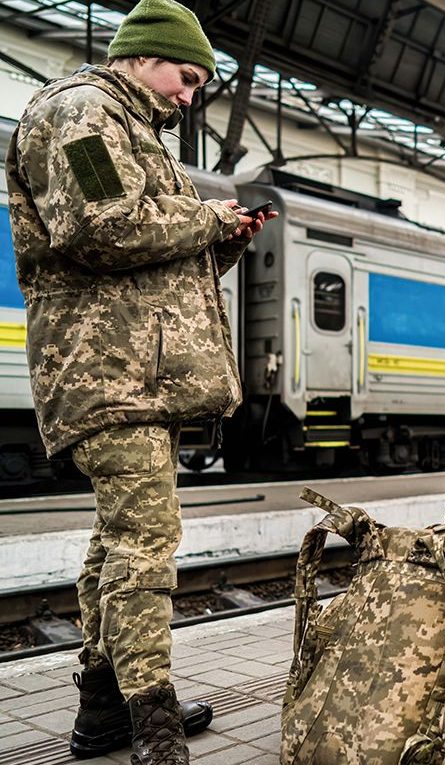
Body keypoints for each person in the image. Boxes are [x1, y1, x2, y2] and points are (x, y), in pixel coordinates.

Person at [6, 1, 271, 761]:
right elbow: (102, 229)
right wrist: (210, 222)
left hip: (139, 371)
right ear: (142, 56)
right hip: (108, 372)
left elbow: (149, 259)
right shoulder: (84, 114)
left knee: (115, 543)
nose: (189, 96)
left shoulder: (132, 130)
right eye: (185, 77)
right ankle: (151, 720)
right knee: (146, 541)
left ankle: (101, 705)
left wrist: (222, 243)